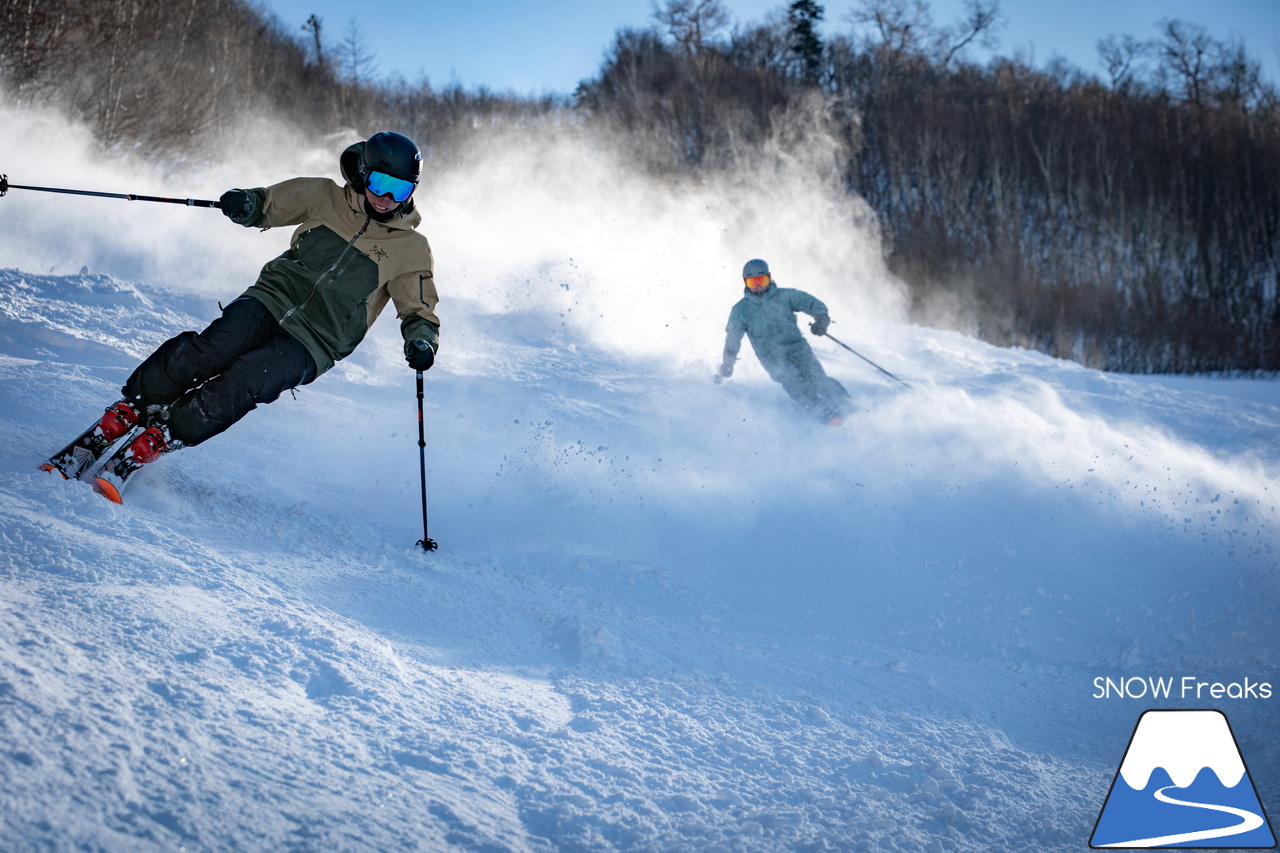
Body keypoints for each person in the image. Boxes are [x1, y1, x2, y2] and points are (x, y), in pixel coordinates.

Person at [62, 130, 440, 485]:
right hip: (271, 297)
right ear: (362, 174)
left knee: (244, 382)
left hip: (317, 341)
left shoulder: (411, 248)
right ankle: (131, 410)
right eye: (379, 183)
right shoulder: (324, 196)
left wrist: (421, 341)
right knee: (210, 350)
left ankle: (160, 438)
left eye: (399, 189)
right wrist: (246, 203)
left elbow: (418, 309)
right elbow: (269, 203)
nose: (386, 198)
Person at [718, 258, 851, 425]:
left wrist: (821, 318)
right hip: (772, 357)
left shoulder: (785, 296)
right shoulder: (741, 310)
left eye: (762, 280)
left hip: (798, 348)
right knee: (793, 381)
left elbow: (811, 303)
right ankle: (820, 409)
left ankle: (847, 403)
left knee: (818, 379)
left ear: (770, 277)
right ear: (745, 283)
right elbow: (732, 338)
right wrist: (728, 362)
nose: (758, 287)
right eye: (753, 282)